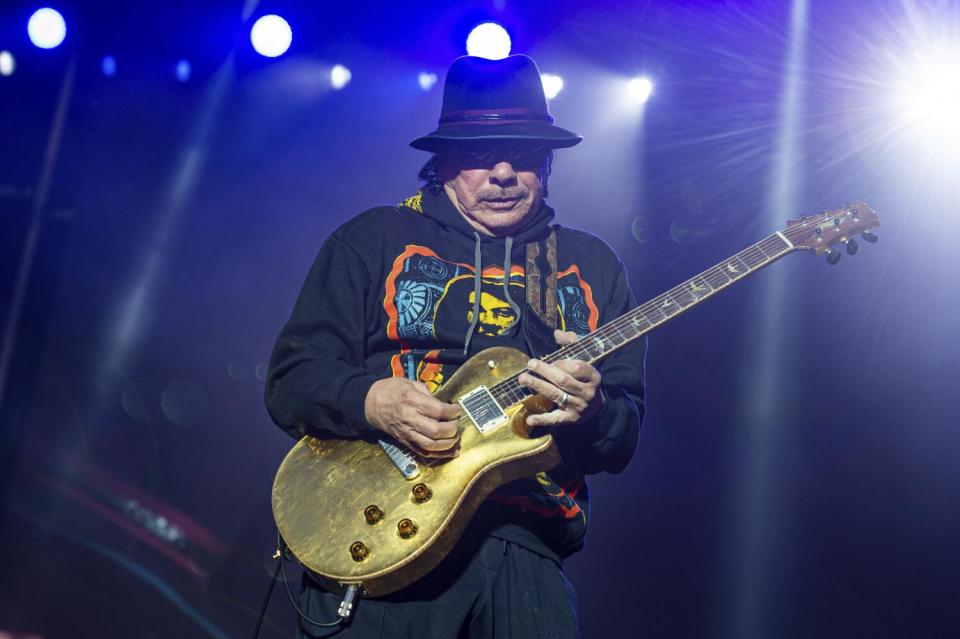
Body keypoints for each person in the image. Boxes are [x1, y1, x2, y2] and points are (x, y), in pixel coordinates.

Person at [265, 54, 647, 639]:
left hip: (529, 549)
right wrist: (370, 400)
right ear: (441, 160)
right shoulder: (373, 238)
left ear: (546, 164)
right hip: (386, 536)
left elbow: (621, 438)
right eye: (478, 155)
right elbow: (291, 378)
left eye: (522, 156)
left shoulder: (592, 265)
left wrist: (594, 410)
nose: (502, 172)